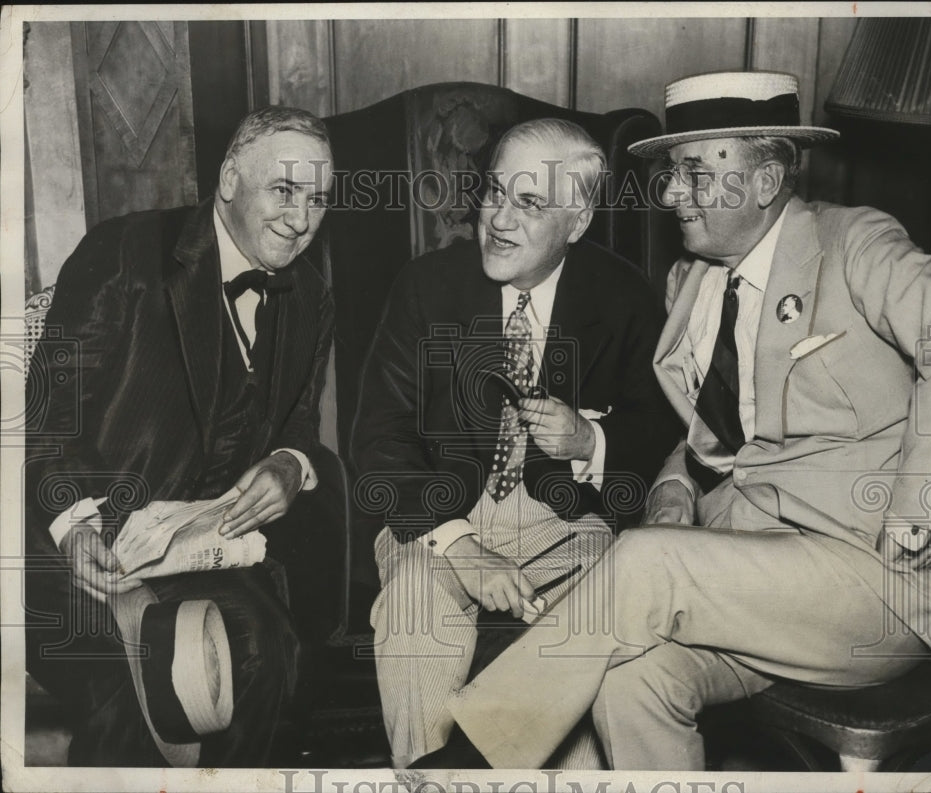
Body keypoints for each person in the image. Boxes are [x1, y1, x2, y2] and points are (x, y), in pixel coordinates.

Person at [447, 72, 931, 770]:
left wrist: (921, 505)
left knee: (649, 559)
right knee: (630, 677)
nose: (673, 193)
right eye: (670, 174)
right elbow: (722, 429)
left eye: (695, 173)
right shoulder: (691, 284)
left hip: (878, 581)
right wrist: (675, 484)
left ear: (767, 180)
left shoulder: (853, 245)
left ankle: (462, 766)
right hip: (760, 583)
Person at [352, 118, 677, 768]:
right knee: (414, 603)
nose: (498, 218)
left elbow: (666, 433)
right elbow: (378, 438)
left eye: (528, 203)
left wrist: (593, 437)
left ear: (578, 220)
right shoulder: (427, 286)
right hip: (437, 520)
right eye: (495, 191)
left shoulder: (624, 299)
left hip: (566, 528)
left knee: (596, 626)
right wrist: (460, 545)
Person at [24, 106, 336, 766]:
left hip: (197, 551)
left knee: (268, 654)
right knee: (129, 687)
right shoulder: (123, 256)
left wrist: (289, 462)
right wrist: (76, 526)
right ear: (229, 180)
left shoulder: (310, 293)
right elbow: (51, 423)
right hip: (72, 547)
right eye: (283, 190)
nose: (301, 218)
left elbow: (301, 422)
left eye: (318, 199)